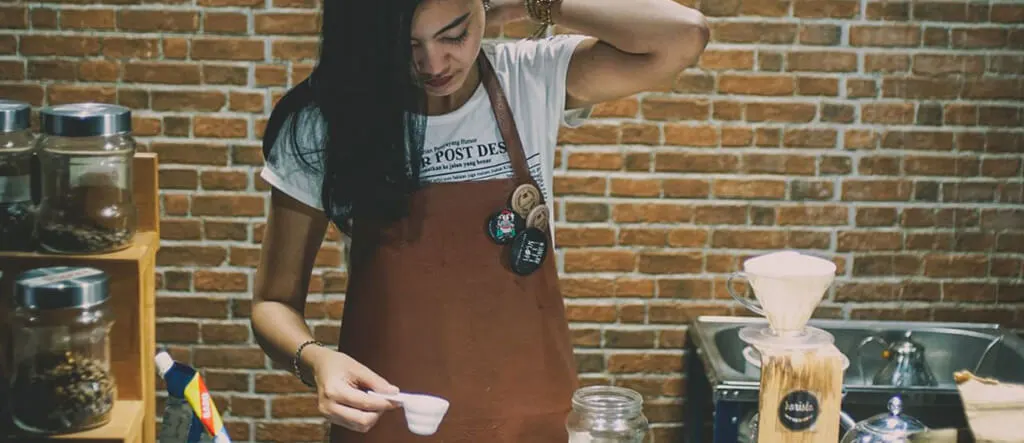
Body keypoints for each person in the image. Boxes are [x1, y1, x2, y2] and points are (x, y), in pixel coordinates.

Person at [251, 0, 708, 440]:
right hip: (395, 420)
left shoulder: (527, 78)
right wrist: (314, 360)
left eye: (454, 34)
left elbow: (683, 37)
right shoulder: (325, 122)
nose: (433, 62)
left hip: (532, 420)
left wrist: (533, 3)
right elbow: (273, 302)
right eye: (405, 44)